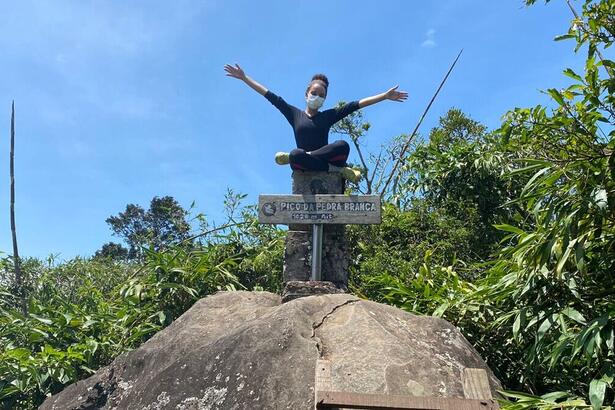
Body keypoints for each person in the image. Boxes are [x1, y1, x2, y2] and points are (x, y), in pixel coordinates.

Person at [224, 63, 408, 183]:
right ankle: (339, 170)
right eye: (314, 93)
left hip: (319, 157)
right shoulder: (294, 114)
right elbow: (270, 95)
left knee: (342, 145)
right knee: (296, 154)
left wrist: (384, 96)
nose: (317, 97)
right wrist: (244, 78)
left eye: (322, 95)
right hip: (304, 164)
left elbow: (356, 105)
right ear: (306, 94)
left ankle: (316, 160)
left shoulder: (327, 116)